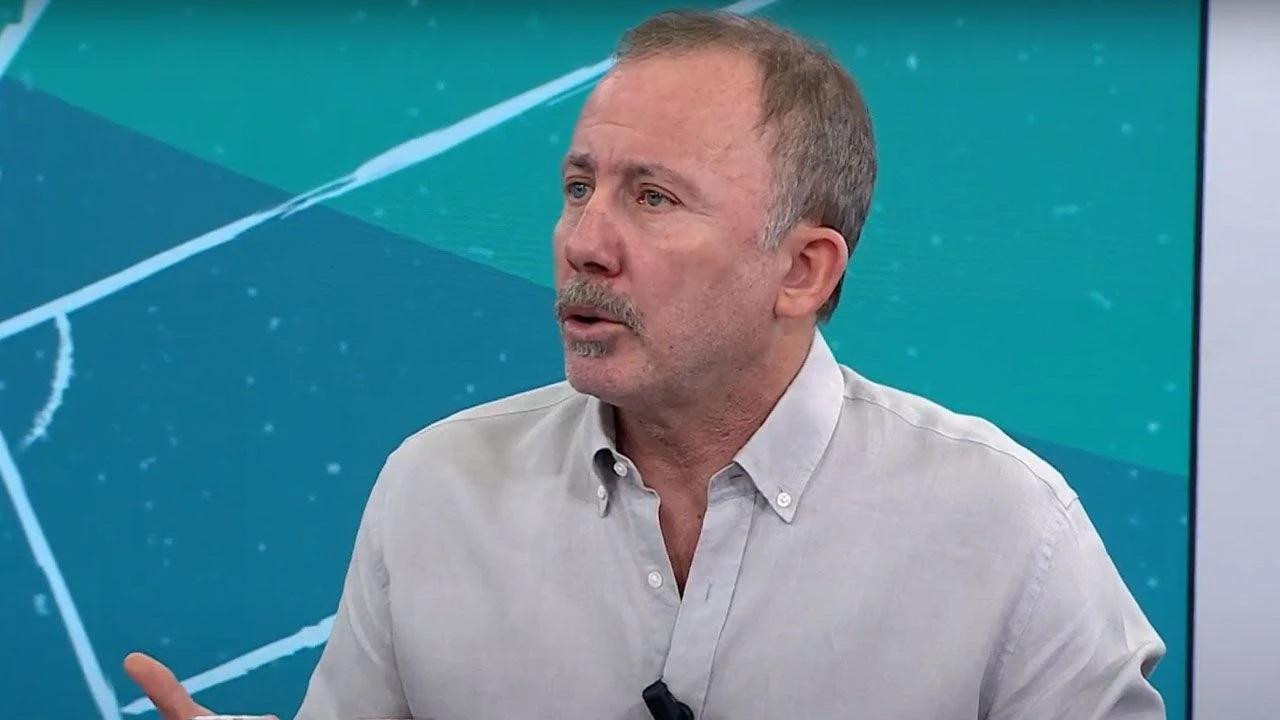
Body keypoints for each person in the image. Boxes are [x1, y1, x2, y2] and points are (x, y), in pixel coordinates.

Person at [125, 10, 1166, 720]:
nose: (584, 241)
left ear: (801, 270)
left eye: (653, 198)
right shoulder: (436, 490)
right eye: (579, 187)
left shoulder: (1006, 530)